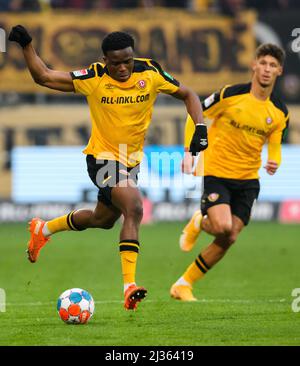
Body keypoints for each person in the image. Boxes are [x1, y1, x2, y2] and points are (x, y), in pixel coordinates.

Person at [9, 25, 208, 310]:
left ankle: (44, 229)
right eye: (116, 63)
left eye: (127, 61)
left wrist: (200, 127)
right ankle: (129, 286)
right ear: (105, 61)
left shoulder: (149, 72)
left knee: (103, 220)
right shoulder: (94, 77)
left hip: (130, 160)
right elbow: (44, 77)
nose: (124, 68)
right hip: (102, 158)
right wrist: (27, 45)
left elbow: (188, 94)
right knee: (135, 207)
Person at [170, 43, 289, 301]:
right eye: (264, 63)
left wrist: (274, 161)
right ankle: (200, 220)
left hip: (248, 179)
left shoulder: (279, 112)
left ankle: (183, 284)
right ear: (254, 65)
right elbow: (195, 115)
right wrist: (190, 152)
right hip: (217, 171)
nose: (267, 70)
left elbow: (275, 144)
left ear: (279, 71)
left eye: (273, 65)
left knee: (230, 236)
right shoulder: (230, 95)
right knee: (223, 226)